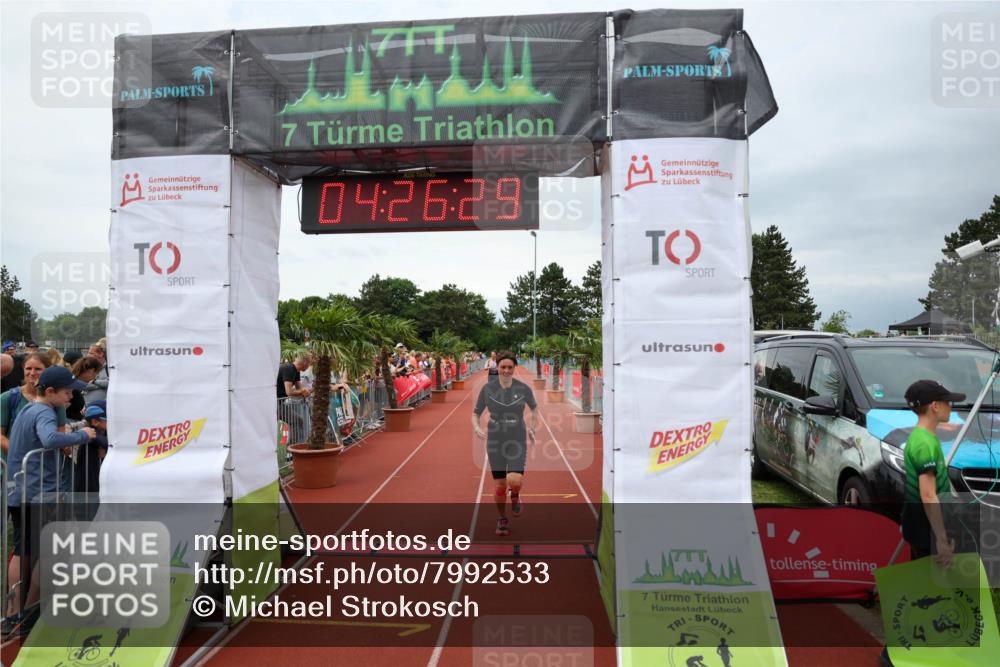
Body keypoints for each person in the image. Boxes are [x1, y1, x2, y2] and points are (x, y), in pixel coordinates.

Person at [2, 366, 95, 638]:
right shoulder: (43, 411)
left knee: (24, 549)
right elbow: (49, 438)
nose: (71, 397)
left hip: (24, 490)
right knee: (49, 551)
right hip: (39, 491)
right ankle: (30, 613)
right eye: (68, 392)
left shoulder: (29, 408)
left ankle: (15, 614)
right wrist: (82, 435)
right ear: (51, 391)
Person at [878, 379, 962, 667]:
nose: (952, 406)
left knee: (929, 589)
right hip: (927, 527)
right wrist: (941, 537)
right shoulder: (924, 443)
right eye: (948, 401)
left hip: (920, 524)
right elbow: (928, 494)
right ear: (935, 406)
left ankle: (903, 651)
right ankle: (894, 653)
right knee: (928, 590)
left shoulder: (921, 438)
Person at [471, 351, 538, 536]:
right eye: (503, 367)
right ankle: (502, 517)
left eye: (510, 367)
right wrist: (477, 427)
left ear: (514, 368)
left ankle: (515, 495)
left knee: (514, 481)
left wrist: (533, 428)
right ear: (497, 368)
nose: (507, 370)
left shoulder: (523, 389)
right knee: (500, 485)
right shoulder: (487, 389)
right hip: (495, 440)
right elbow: (475, 413)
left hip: (516, 438)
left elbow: (534, 409)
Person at [74, 400, 108, 494]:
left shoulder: (102, 432)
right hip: (88, 484)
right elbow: (109, 444)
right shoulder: (91, 433)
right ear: (95, 421)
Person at [67, 356, 103, 421]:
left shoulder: (73, 381)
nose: (96, 377)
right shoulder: (74, 387)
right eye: (97, 373)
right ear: (91, 371)